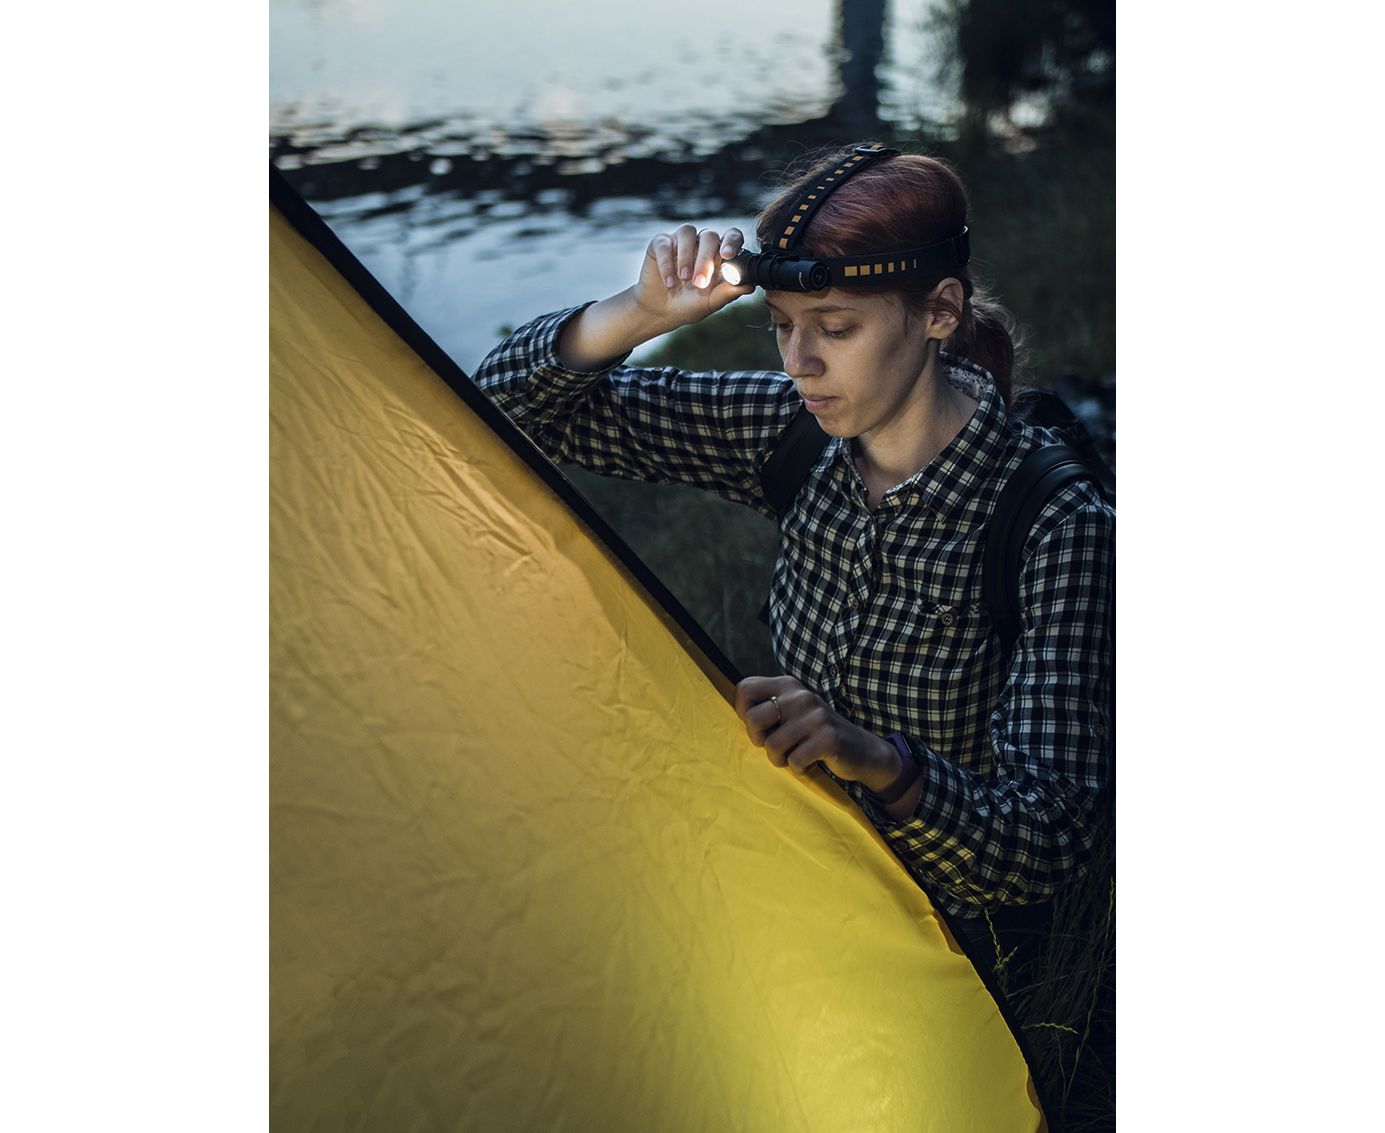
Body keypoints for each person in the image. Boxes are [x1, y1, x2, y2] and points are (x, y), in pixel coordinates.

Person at [473, 144, 1113, 972]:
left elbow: (1046, 841)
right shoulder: (791, 428)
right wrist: (640, 311)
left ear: (939, 311)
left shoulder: (1057, 525)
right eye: (781, 324)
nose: (797, 362)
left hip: (957, 956)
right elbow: (507, 411)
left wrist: (875, 760)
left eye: (836, 328)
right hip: (788, 879)